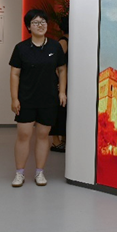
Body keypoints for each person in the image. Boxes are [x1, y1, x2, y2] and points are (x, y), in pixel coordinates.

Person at [9, 9, 67, 187]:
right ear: (28, 27)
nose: (40, 25)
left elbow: (62, 69)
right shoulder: (21, 48)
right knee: (24, 135)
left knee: (43, 136)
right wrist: (14, 98)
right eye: (35, 22)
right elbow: (15, 74)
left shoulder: (55, 47)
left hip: (48, 99)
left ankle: (39, 172)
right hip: (26, 99)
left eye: (43, 22)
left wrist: (62, 92)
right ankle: (19, 173)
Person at [50, 15, 69, 153]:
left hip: (67, 81)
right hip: (62, 82)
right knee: (59, 111)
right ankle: (56, 141)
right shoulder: (63, 42)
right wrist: (59, 81)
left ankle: (63, 140)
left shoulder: (70, 41)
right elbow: (57, 64)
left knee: (64, 111)